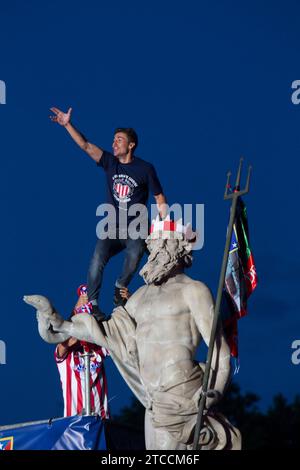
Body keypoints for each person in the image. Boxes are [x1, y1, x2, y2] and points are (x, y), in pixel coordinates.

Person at [28, 218, 240, 450]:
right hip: (151, 401)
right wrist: (61, 325)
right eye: (153, 245)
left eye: (161, 244)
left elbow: (220, 352)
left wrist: (214, 392)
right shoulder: (140, 297)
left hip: (182, 396)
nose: (154, 251)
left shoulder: (194, 291)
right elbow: (107, 331)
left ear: (178, 248)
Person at [50, 107, 167, 320]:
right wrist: (67, 125)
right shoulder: (110, 163)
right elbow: (85, 145)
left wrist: (164, 225)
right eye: (113, 140)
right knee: (97, 257)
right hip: (112, 228)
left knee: (136, 251)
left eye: (119, 140)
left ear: (131, 145)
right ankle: (93, 305)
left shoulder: (145, 169)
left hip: (135, 229)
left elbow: (160, 198)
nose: (114, 143)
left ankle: (119, 287)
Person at [55, 285, 109, 419]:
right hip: (73, 424)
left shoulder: (99, 348)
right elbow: (65, 340)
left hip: (101, 422)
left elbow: (118, 338)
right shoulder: (66, 355)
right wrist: (76, 310)